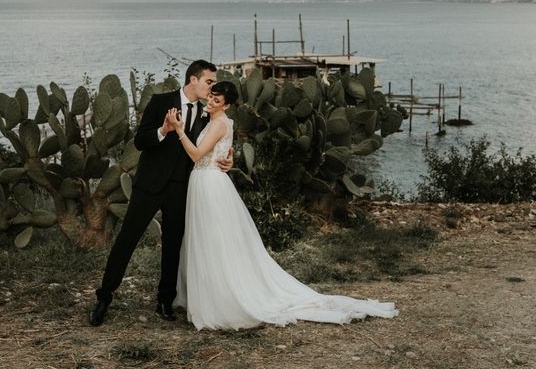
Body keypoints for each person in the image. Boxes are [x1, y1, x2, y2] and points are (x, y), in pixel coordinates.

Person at [165, 80, 398, 330]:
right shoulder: (224, 122)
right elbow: (224, 150)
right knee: (209, 239)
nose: (210, 102)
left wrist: (179, 130)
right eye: (211, 97)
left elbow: (197, 155)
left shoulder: (219, 123)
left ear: (228, 105)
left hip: (209, 183)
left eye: (217, 100)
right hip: (208, 181)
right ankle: (209, 294)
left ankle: (222, 298)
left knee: (214, 240)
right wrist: (228, 159)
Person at [89, 60, 233, 327]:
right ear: (193, 80)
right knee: (127, 239)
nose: (212, 88)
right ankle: (104, 297)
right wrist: (164, 130)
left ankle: (165, 301)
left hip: (182, 187)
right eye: (209, 82)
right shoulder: (160, 101)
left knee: (173, 245)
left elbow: (212, 147)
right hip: (149, 185)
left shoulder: (207, 114)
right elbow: (140, 141)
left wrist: (227, 160)